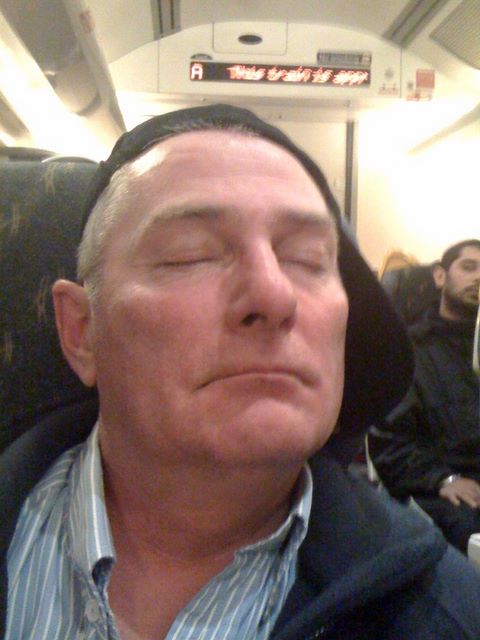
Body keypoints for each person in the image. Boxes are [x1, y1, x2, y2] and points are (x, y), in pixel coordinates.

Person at [2, 105, 480, 640]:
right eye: (189, 255)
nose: (275, 295)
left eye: (308, 259)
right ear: (81, 330)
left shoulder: (448, 614)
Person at [369, 239, 480, 554]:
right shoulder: (409, 352)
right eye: (469, 267)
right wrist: (444, 480)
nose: (478, 278)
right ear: (440, 276)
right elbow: (389, 444)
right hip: (437, 484)